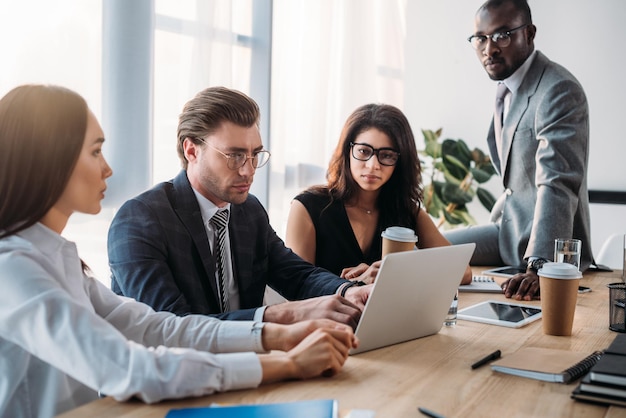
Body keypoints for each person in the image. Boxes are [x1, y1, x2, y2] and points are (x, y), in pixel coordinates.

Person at [0, 84, 358, 417]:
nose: (108, 168)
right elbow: (133, 367)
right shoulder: (13, 268)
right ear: (47, 159)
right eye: (95, 151)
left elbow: (160, 328)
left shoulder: (58, 259)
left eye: (254, 155)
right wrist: (289, 363)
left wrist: (276, 333)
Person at [108, 86, 370, 328]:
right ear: (191, 151)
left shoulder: (248, 211)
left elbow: (296, 274)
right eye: (234, 156)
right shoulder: (140, 220)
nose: (248, 170)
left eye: (255, 154)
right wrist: (281, 315)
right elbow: (171, 327)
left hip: (249, 362)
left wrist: (350, 291)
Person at [445, 0, 593, 300]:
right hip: (506, 233)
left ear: (529, 33)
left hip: (546, 247)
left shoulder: (558, 89)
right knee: (429, 250)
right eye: (481, 38)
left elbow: (557, 182)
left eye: (502, 35)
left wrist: (541, 265)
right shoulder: (507, 90)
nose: (490, 48)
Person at [285, 103, 472, 285]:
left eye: (387, 155)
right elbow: (296, 287)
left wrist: (395, 273)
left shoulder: (406, 211)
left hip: (390, 316)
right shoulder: (308, 207)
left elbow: (464, 272)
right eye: (364, 151)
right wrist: (351, 286)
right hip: (326, 317)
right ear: (347, 151)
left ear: (400, 162)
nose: (373, 164)